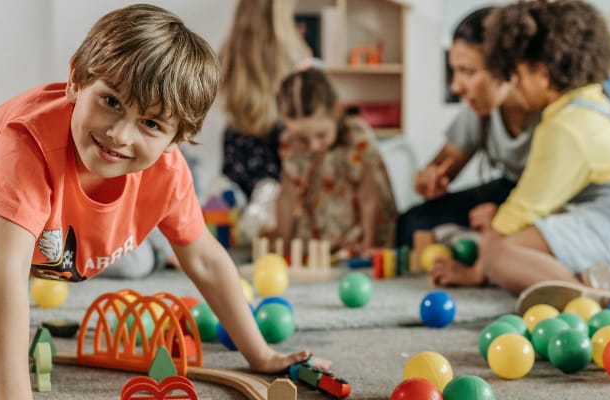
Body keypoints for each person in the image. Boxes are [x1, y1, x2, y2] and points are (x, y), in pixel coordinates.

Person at [0, 5, 329, 399]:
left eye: (150, 124)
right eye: (110, 101)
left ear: (177, 138)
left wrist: (261, 356)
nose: (120, 135)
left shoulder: (166, 175)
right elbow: (5, 275)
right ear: (76, 79)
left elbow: (204, 259)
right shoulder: (27, 147)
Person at [432, 0, 610, 307]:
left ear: (544, 73)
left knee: (500, 253)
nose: (514, 84)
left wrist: (476, 271)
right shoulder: (588, 103)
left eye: (517, 75)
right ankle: (594, 277)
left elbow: (515, 217)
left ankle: (588, 301)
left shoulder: (564, 127)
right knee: (513, 243)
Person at [396, 6, 539, 248]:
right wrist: (429, 177)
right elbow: (445, 163)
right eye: (455, 71)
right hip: (508, 188)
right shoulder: (479, 109)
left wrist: (506, 217)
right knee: (413, 221)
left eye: (467, 72)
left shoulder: (550, 111)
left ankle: (484, 247)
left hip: (548, 199)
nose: (455, 87)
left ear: (506, 67)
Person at [274, 68, 398, 257]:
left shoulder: (356, 136)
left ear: (337, 111)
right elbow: (286, 198)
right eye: (302, 139)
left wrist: (369, 245)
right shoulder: (290, 144)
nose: (314, 146)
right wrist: (284, 248)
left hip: (358, 230)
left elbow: (370, 197)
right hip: (318, 233)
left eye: (321, 135)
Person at [219, 0, 313, 198]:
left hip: (238, 143)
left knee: (236, 215)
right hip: (278, 143)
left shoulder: (229, 51)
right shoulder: (296, 53)